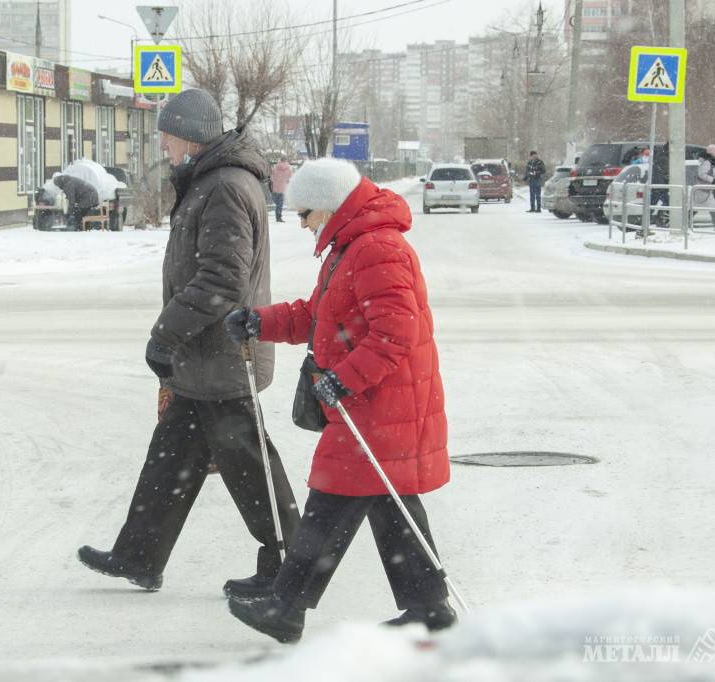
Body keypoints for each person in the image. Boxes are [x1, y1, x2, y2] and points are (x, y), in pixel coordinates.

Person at [77, 88, 301, 600]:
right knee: (172, 456)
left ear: (188, 136)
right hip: (205, 358)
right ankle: (139, 555)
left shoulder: (223, 186)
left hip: (224, 356)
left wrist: (167, 332)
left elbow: (223, 279)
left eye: (167, 133)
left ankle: (289, 565)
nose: (163, 142)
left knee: (250, 465)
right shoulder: (211, 180)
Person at [222, 158, 454, 643]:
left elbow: (395, 333)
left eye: (304, 214)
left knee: (332, 497)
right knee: (391, 502)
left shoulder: (377, 248)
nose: (303, 225)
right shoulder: (351, 245)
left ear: (327, 206)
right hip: (376, 401)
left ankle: (286, 608)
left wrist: (343, 380)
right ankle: (429, 607)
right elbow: (321, 315)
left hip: (380, 402)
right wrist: (260, 322)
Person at [695, 145, 715, 231]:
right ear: (713, 154)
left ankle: (684, 223)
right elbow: (701, 174)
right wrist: (713, 181)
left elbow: (713, 176)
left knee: (695, 208)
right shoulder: (708, 163)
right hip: (703, 190)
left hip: (704, 190)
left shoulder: (709, 162)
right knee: (714, 208)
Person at [270, 155, 294, 222]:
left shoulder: (275, 167)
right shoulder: (289, 168)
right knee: (280, 204)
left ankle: (277, 216)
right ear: (286, 160)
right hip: (283, 188)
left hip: (275, 187)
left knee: (277, 203)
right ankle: (278, 217)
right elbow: (290, 178)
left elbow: (271, 178)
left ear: (280, 160)